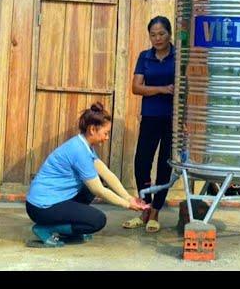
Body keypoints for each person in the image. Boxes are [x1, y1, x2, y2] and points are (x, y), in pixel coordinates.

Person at [25, 102, 149, 247]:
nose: (107, 137)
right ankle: (46, 228)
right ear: (92, 129)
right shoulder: (79, 151)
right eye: (105, 133)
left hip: (51, 201)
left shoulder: (84, 145)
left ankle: (70, 227)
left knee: (87, 189)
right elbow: (99, 190)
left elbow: (106, 173)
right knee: (97, 220)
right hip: (41, 207)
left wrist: (129, 197)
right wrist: (127, 205)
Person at [122, 16, 175, 233]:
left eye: (161, 34)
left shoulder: (179, 56)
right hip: (150, 116)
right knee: (142, 162)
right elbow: (136, 87)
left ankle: (155, 212)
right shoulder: (145, 57)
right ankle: (145, 207)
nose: (157, 38)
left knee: (165, 164)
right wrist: (162, 89)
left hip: (173, 119)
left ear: (169, 34)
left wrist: (151, 88)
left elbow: (185, 85)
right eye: (153, 34)